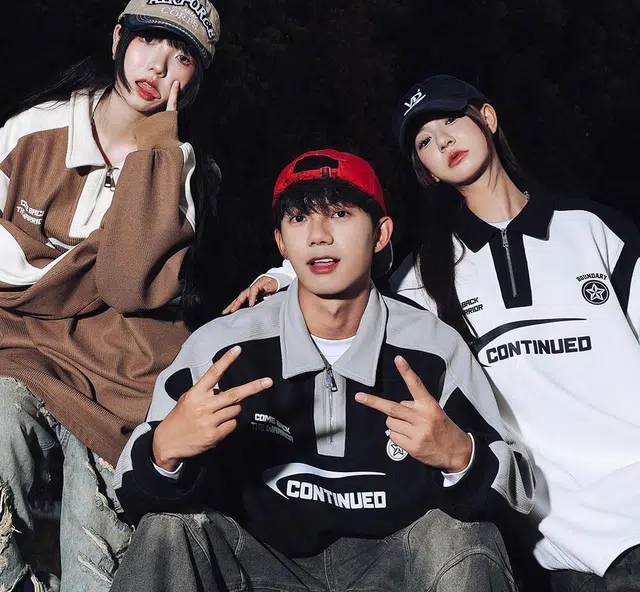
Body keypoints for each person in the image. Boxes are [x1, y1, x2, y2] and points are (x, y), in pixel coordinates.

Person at [239, 76, 640, 591]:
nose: (443, 140)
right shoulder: (423, 275)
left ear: (487, 118)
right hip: (550, 525)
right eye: (425, 140)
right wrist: (283, 276)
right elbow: (345, 276)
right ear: (424, 167)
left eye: (451, 120)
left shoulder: (591, 228)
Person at [110, 149, 535, 592]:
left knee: (465, 537)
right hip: (257, 567)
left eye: (340, 214)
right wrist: (163, 452)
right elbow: (129, 494)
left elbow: (516, 496)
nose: (318, 236)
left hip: (394, 570)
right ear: (280, 242)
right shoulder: (221, 346)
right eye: (299, 219)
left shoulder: (433, 348)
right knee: (167, 528)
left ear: (380, 234)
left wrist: (460, 456)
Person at [0, 0, 220, 591]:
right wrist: (77, 276)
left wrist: (158, 147)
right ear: (119, 38)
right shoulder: (33, 132)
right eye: (150, 41)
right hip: (21, 354)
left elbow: (126, 285)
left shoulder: (180, 165)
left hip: (121, 382)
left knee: (95, 570)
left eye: (182, 57)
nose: (160, 68)